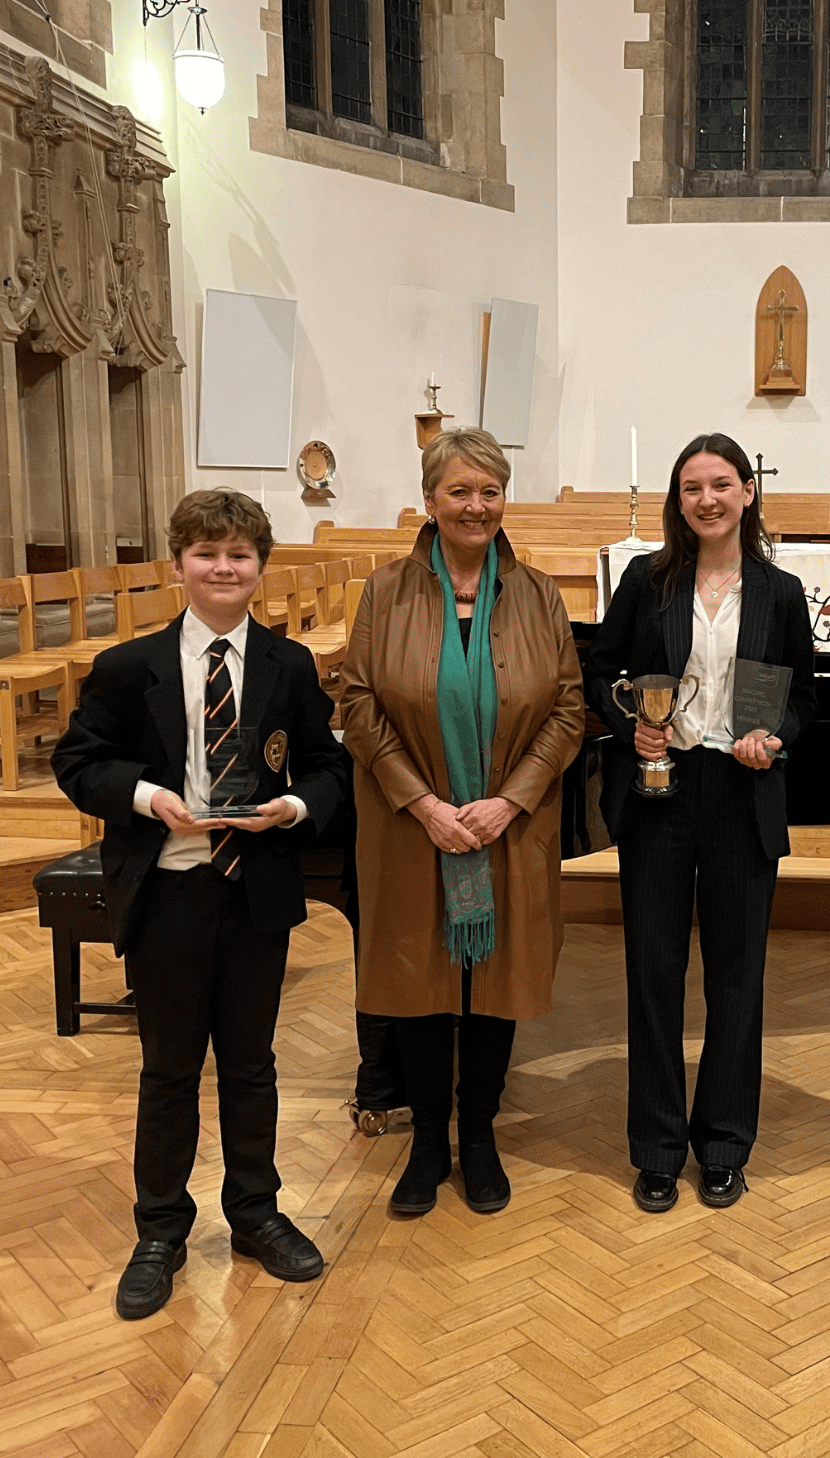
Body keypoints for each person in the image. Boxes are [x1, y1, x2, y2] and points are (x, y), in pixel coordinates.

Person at [53, 489, 351, 1320]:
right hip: (170, 890)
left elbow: (329, 768)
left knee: (252, 1066)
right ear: (176, 564)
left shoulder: (288, 667)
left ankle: (255, 1213)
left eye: (240, 555)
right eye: (207, 554)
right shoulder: (128, 667)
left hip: (251, 888)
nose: (224, 568)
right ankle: (160, 1230)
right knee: (169, 1069)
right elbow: (78, 763)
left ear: (262, 567)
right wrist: (150, 798)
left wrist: (289, 810)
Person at [338, 429, 585, 1217]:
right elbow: (357, 703)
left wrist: (510, 800)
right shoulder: (386, 591)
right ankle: (428, 1145)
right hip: (413, 825)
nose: (476, 507)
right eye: (460, 492)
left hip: (508, 824)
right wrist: (424, 802)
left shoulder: (540, 594)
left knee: (494, 983)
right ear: (431, 500)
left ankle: (478, 1138)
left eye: (490, 492)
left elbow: (569, 707)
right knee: (419, 982)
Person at [588, 435, 817, 1213]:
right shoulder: (646, 581)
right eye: (692, 487)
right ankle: (656, 1147)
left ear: (749, 492)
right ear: (677, 499)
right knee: (653, 975)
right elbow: (598, 668)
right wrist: (632, 729)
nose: (708, 500)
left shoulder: (781, 592)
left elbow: (805, 696)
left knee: (736, 979)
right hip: (660, 790)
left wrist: (776, 733)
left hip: (741, 792)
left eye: (722, 484)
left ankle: (723, 1143)